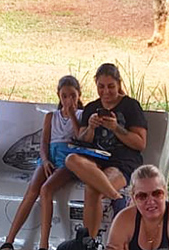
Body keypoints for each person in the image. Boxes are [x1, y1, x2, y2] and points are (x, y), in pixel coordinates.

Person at [0, 76, 84, 250]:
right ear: (58, 97)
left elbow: (80, 137)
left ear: (79, 96)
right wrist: (44, 160)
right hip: (49, 156)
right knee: (32, 190)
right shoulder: (51, 117)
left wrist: (73, 115)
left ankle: (43, 245)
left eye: (72, 96)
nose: (68, 100)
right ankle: (9, 240)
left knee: (47, 190)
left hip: (68, 158)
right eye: (64, 96)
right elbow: (44, 142)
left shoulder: (80, 115)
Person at [62, 63, 148, 239]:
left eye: (111, 87)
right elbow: (83, 139)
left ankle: (88, 245)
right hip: (95, 158)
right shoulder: (92, 108)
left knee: (92, 190)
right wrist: (91, 128)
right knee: (71, 159)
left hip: (122, 160)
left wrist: (116, 128)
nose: (106, 92)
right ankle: (117, 198)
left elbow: (140, 144)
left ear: (118, 84)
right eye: (101, 87)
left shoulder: (130, 106)